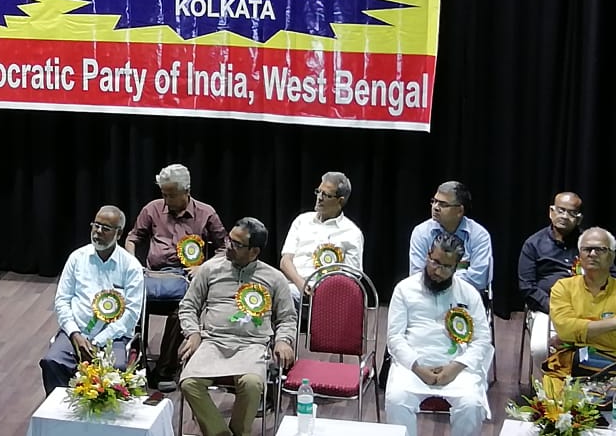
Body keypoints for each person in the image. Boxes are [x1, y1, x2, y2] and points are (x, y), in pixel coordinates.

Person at [178, 217, 297, 436]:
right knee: (189, 383)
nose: (228, 246)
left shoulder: (274, 278)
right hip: (213, 342)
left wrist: (283, 340)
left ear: (254, 251)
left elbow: (287, 317)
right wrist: (193, 333)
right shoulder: (210, 269)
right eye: (228, 239)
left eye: (236, 244)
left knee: (252, 384)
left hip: (252, 346)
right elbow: (188, 306)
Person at [124, 163, 227, 389]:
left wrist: (203, 268)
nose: (166, 199)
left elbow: (225, 248)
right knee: (130, 300)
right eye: (163, 194)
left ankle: (164, 371)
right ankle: (133, 362)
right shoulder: (152, 209)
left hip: (187, 278)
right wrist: (133, 264)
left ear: (186, 191)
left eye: (171, 195)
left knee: (183, 309)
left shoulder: (206, 213)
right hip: (153, 275)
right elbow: (132, 238)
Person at [385, 232, 493, 436]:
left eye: (446, 267)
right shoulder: (404, 289)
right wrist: (418, 367)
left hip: (457, 368)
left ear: (456, 267)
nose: (438, 270)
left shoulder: (469, 294)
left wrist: (454, 367)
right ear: (428, 255)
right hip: (413, 367)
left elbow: (482, 340)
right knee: (397, 399)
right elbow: (395, 338)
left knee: (471, 404)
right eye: (435, 262)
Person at [39, 205, 145, 396]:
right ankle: (62, 411)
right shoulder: (77, 258)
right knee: (52, 361)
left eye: (105, 228)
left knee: (116, 371)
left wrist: (97, 341)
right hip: (76, 333)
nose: (98, 232)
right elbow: (62, 300)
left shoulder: (131, 267)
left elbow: (131, 315)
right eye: (96, 225)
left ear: (119, 233)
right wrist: (75, 334)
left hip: (113, 337)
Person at [516, 192, 586, 379]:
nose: (564, 216)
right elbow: (527, 287)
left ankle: (582, 387)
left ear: (579, 219)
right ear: (551, 212)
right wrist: (556, 308)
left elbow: (610, 276)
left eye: (571, 213)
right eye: (561, 210)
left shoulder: (589, 244)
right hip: (546, 308)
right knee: (540, 347)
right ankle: (548, 386)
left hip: (585, 309)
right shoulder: (533, 244)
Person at [545, 226, 616, 396]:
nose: (592, 254)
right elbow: (565, 329)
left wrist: (579, 330)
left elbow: (570, 331)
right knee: (554, 405)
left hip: (612, 365)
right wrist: (613, 323)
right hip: (569, 365)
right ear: (579, 255)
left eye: (600, 249)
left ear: (612, 256)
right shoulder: (563, 287)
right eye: (587, 249)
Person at [279, 171, 365, 308]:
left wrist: (325, 290)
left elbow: (351, 277)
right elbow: (285, 261)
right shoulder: (302, 221)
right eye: (318, 192)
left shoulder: (352, 233)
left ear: (340, 200)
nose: (319, 198)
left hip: (329, 295)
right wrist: (300, 283)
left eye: (326, 195)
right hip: (294, 286)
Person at [408, 181, 493, 294]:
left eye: (443, 204)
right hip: (428, 295)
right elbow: (417, 276)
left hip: (466, 297)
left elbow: (479, 279)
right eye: (434, 201)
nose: (435, 207)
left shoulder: (479, 235)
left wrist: (440, 276)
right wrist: (457, 274)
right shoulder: (421, 232)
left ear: (460, 211)